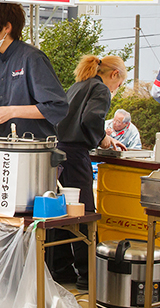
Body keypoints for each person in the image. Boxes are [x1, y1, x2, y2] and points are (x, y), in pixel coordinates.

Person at [49, 55, 127, 291]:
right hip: (75, 155)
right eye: (120, 84)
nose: (117, 89)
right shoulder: (100, 89)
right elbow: (92, 119)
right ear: (114, 74)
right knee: (83, 215)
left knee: (59, 215)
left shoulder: (77, 86)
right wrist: (103, 139)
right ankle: (88, 274)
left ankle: (60, 268)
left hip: (56, 153)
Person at [0, 0, 68, 138]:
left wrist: (11, 112)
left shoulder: (32, 58)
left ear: (7, 27)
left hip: (34, 147)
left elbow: (58, 107)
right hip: (1, 144)